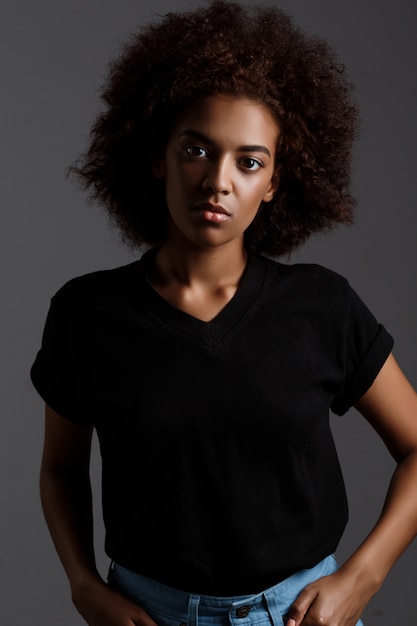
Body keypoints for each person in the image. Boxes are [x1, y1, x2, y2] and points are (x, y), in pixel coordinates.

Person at [30, 1, 417, 625]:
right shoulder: (86, 314)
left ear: (273, 183)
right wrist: (82, 585)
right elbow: (60, 468)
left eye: (250, 161)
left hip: (299, 616)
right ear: (158, 154)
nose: (218, 181)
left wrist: (361, 579)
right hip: (145, 614)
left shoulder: (321, 305)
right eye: (196, 149)